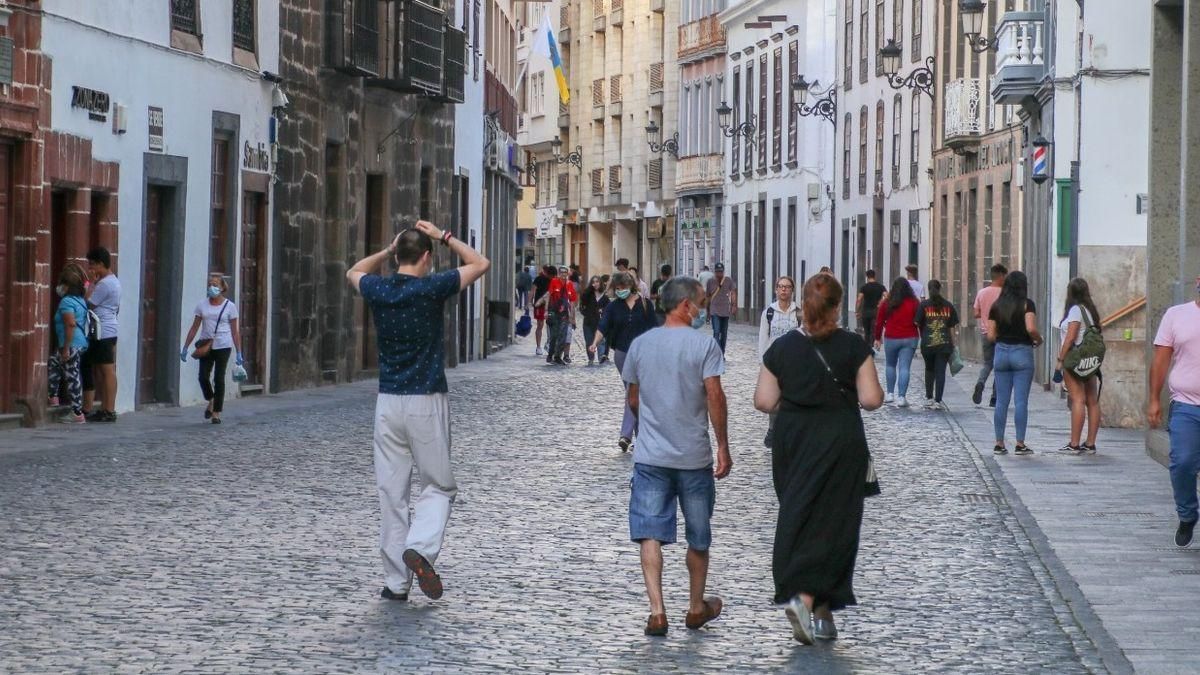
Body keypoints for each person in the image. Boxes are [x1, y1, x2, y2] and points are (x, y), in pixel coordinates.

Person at [346, 220, 490, 602]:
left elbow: (354, 271)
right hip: (426, 397)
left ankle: (396, 583)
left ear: (398, 256)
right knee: (439, 486)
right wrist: (445, 236)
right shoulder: (432, 287)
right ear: (426, 258)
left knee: (391, 493)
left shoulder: (378, 288)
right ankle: (421, 548)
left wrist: (387, 251)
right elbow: (480, 263)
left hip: (387, 401)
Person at [754, 273, 883, 644]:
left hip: (793, 438)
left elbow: (763, 401)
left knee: (801, 514)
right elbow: (872, 400)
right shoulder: (852, 346)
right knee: (835, 524)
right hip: (840, 438)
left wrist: (797, 398)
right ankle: (806, 599)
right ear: (838, 306)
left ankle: (824, 614)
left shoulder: (782, 349)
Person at [622, 276, 731, 637]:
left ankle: (657, 611)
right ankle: (696, 606)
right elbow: (714, 396)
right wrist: (722, 445)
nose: (701, 309)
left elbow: (633, 399)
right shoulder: (704, 346)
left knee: (649, 533)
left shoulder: (641, 345)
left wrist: (649, 427)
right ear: (685, 305)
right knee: (698, 536)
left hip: (652, 457)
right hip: (693, 457)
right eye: (699, 302)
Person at [1148, 274, 1200, 547]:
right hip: (1186, 405)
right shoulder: (1176, 315)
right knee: (1183, 463)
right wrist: (1154, 400)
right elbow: (1160, 361)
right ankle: (1188, 514)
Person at [591, 272, 658, 452]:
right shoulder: (614, 307)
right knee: (634, 393)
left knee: (632, 391)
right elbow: (603, 326)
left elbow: (655, 329)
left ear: (631, 286)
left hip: (643, 355)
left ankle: (626, 435)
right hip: (622, 354)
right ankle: (641, 438)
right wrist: (595, 343)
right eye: (617, 288)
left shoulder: (645, 304)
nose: (620, 291)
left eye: (623, 288)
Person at [987, 270, 1043, 456]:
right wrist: (1038, 339)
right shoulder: (1027, 305)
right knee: (1020, 401)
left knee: (1001, 401)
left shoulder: (997, 305)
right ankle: (1020, 443)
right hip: (1022, 353)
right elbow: (1031, 328)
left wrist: (1003, 342)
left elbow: (990, 335)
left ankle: (999, 443)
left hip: (1001, 353)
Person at [180, 274, 244, 424]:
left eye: (215, 284)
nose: (212, 287)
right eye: (210, 284)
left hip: (223, 345)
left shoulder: (230, 306)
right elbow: (195, 327)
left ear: (222, 288)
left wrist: (239, 351)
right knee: (203, 376)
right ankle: (211, 399)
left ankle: (216, 413)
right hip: (206, 345)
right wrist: (185, 346)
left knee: (219, 378)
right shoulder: (202, 305)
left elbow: (235, 331)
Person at [1055, 278, 1103, 455]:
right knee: (1092, 399)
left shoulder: (1075, 310)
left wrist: (1060, 359)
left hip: (1075, 359)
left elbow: (1071, 336)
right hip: (1090, 360)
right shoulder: (1090, 311)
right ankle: (1090, 443)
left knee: (1077, 399)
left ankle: (1074, 443)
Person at [758, 276, 800, 448]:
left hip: (794, 361)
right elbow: (763, 338)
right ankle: (773, 428)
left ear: (792, 290)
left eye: (787, 287)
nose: (784, 290)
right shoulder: (769, 312)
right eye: (781, 287)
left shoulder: (798, 311)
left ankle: (791, 430)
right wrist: (762, 363)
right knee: (774, 398)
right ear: (776, 290)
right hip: (774, 362)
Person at [82, 247, 121, 422]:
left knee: (107, 370)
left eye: (92, 265)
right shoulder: (113, 281)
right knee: (101, 369)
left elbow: (89, 303)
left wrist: (90, 283)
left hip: (103, 331)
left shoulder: (105, 284)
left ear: (101, 264)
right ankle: (105, 406)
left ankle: (109, 409)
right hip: (106, 329)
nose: (90, 269)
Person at [48, 264, 90, 423]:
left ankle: (77, 412)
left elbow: (70, 324)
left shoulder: (66, 302)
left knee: (72, 375)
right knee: (55, 363)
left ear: (66, 286)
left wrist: (65, 348)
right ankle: (54, 397)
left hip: (71, 343)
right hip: (80, 343)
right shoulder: (80, 301)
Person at [873, 278, 920, 407]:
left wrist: (877, 337)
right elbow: (919, 320)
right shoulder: (914, 302)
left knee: (890, 365)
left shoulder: (887, 303)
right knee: (904, 367)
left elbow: (879, 321)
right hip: (910, 337)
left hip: (891, 337)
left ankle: (889, 394)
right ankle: (901, 397)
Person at [916, 280, 959, 411]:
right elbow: (952, 327)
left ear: (929, 290)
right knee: (940, 372)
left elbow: (918, 323)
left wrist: (923, 336)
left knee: (929, 370)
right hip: (944, 344)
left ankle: (929, 398)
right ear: (940, 289)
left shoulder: (924, 305)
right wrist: (954, 344)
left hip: (927, 344)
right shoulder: (948, 306)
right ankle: (938, 400)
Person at [972, 264, 1008, 407]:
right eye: (1005, 277)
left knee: (988, 363)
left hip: (985, 333)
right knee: (999, 366)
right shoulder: (1004, 294)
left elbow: (975, 313)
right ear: (1000, 276)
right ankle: (994, 397)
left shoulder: (982, 293)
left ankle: (980, 382)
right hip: (1000, 334)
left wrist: (986, 314)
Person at [539, 266, 578, 365]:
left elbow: (573, 302)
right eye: (562, 272)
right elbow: (548, 296)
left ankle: (557, 356)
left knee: (563, 336)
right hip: (553, 311)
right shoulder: (554, 282)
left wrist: (572, 317)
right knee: (554, 335)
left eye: (565, 272)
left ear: (568, 274)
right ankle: (550, 354)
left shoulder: (570, 285)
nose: (563, 274)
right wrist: (546, 310)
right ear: (559, 273)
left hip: (565, 313)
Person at [706, 262, 737, 353]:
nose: (719, 274)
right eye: (717, 272)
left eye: (721, 272)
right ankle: (718, 354)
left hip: (725, 311)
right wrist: (707, 311)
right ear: (714, 272)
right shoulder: (710, 282)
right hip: (714, 311)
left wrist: (734, 305)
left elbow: (733, 292)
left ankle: (722, 352)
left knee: (724, 335)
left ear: (723, 272)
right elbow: (708, 296)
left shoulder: (728, 281)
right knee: (716, 332)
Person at [580, 276, 610, 365]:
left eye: (597, 282)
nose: (595, 284)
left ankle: (601, 357)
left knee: (601, 341)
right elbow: (582, 306)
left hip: (600, 322)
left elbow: (609, 309)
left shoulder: (604, 297)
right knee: (589, 341)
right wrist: (587, 313)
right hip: (588, 322)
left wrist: (602, 311)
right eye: (593, 282)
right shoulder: (588, 294)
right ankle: (591, 358)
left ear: (600, 283)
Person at [854, 270, 887, 341]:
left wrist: (857, 311)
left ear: (867, 277)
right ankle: (873, 348)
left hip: (866, 312)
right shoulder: (881, 287)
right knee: (874, 331)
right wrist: (881, 302)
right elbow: (887, 297)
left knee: (867, 332)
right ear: (875, 276)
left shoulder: (864, 287)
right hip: (876, 312)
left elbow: (859, 299)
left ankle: (867, 347)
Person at [531, 265, 553, 356]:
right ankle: (538, 346)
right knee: (540, 325)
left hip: (551, 305)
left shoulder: (553, 280)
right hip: (539, 305)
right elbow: (533, 290)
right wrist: (529, 302)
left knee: (550, 325)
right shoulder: (538, 279)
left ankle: (548, 343)